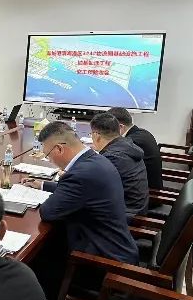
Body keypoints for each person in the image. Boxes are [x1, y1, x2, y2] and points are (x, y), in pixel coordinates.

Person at [23, 121, 138, 264]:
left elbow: (48, 212)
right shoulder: (95, 159)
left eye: (48, 155)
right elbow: (81, 191)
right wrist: (43, 185)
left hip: (103, 260)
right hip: (116, 246)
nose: (50, 160)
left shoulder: (81, 175)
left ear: (59, 149)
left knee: (41, 254)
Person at [90, 113, 149, 220]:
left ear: (96, 135)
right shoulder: (126, 145)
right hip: (136, 209)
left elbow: (92, 187)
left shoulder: (113, 157)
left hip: (127, 216)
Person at [108, 107, 163, 190]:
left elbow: (114, 168)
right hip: (147, 183)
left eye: (108, 129)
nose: (107, 133)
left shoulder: (131, 143)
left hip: (149, 192)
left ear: (120, 127)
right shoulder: (142, 132)